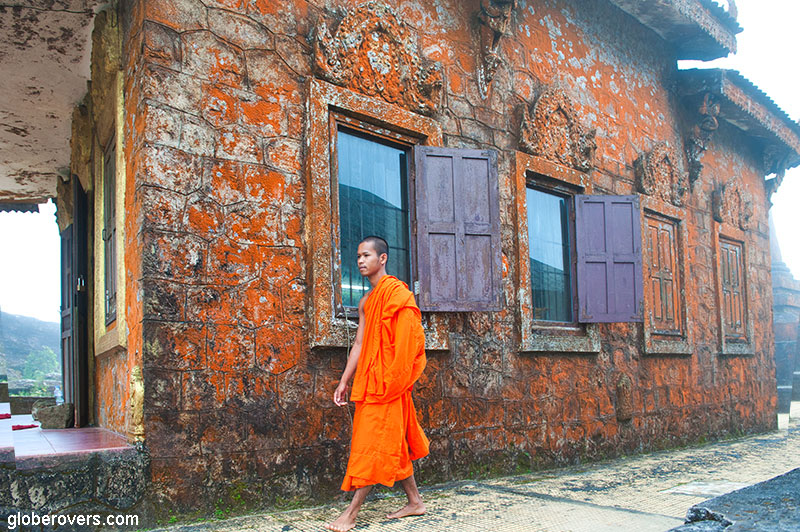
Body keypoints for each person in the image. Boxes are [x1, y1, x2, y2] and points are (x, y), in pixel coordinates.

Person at [324, 236, 429, 532]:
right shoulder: (367, 301)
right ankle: (415, 502)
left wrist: (396, 377)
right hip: (370, 382)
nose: (360, 260)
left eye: (366, 255)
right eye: (358, 256)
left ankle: (351, 513)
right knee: (390, 442)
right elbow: (359, 343)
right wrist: (344, 381)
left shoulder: (397, 293)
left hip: (390, 383)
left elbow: (410, 340)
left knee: (373, 443)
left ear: (382, 259)